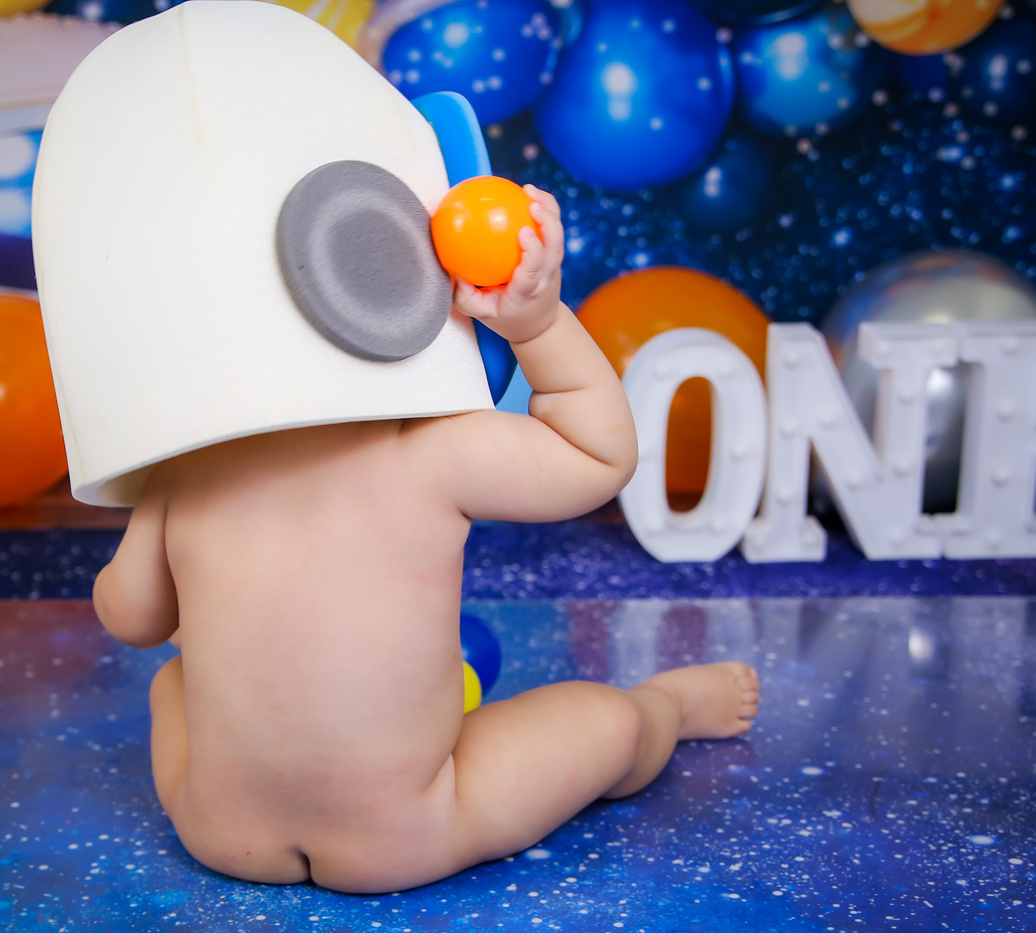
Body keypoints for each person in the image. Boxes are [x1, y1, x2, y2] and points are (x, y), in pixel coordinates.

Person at [91, 182, 761, 893]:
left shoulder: (187, 469)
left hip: (220, 827)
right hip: (405, 829)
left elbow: (131, 616)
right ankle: (664, 709)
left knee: (174, 679)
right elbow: (598, 457)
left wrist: (171, 521)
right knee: (607, 722)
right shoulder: (428, 450)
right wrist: (536, 327)